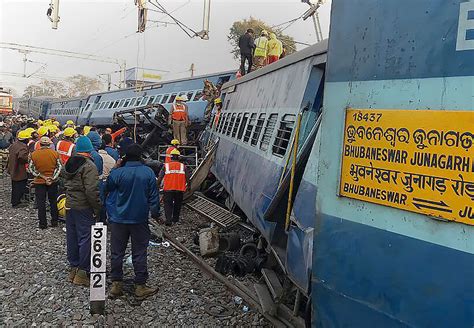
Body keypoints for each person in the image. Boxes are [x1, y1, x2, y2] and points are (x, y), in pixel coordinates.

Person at [106, 143, 159, 299]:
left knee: (116, 252)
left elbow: (107, 187)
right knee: (139, 252)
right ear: (141, 156)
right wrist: (155, 214)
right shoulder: (148, 172)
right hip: (139, 219)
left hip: (118, 219)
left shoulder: (118, 173)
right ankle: (140, 285)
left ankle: (116, 285)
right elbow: (154, 197)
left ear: (124, 157)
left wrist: (116, 167)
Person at [61, 136, 102, 287]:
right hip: (83, 207)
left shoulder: (69, 163)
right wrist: (97, 207)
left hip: (69, 205)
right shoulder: (89, 166)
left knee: (72, 236)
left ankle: (73, 268)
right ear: (90, 149)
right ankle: (83, 273)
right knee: (85, 238)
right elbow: (91, 190)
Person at [29, 136, 62, 229]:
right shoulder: (55, 154)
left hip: (39, 182)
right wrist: (52, 178)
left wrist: (41, 176)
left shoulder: (34, 154)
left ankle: (42, 224)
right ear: (49, 144)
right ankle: (54, 221)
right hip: (53, 182)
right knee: (53, 201)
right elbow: (59, 167)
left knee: (41, 203)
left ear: (40, 144)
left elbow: (31, 168)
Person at [157, 149, 190, 226]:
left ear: (171, 157)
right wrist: (189, 186)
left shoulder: (166, 166)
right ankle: (175, 219)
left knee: (168, 205)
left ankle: (168, 220)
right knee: (177, 204)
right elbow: (187, 177)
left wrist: (157, 185)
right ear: (178, 157)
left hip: (168, 189)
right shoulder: (183, 166)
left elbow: (160, 177)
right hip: (179, 189)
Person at [7, 130, 30, 208]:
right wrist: (28, 158)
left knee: (15, 186)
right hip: (19, 170)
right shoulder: (23, 147)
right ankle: (17, 203)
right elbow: (22, 157)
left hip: (13, 168)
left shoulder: (14, 144)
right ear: (25, 139)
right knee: (19, 186)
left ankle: (14, 201)